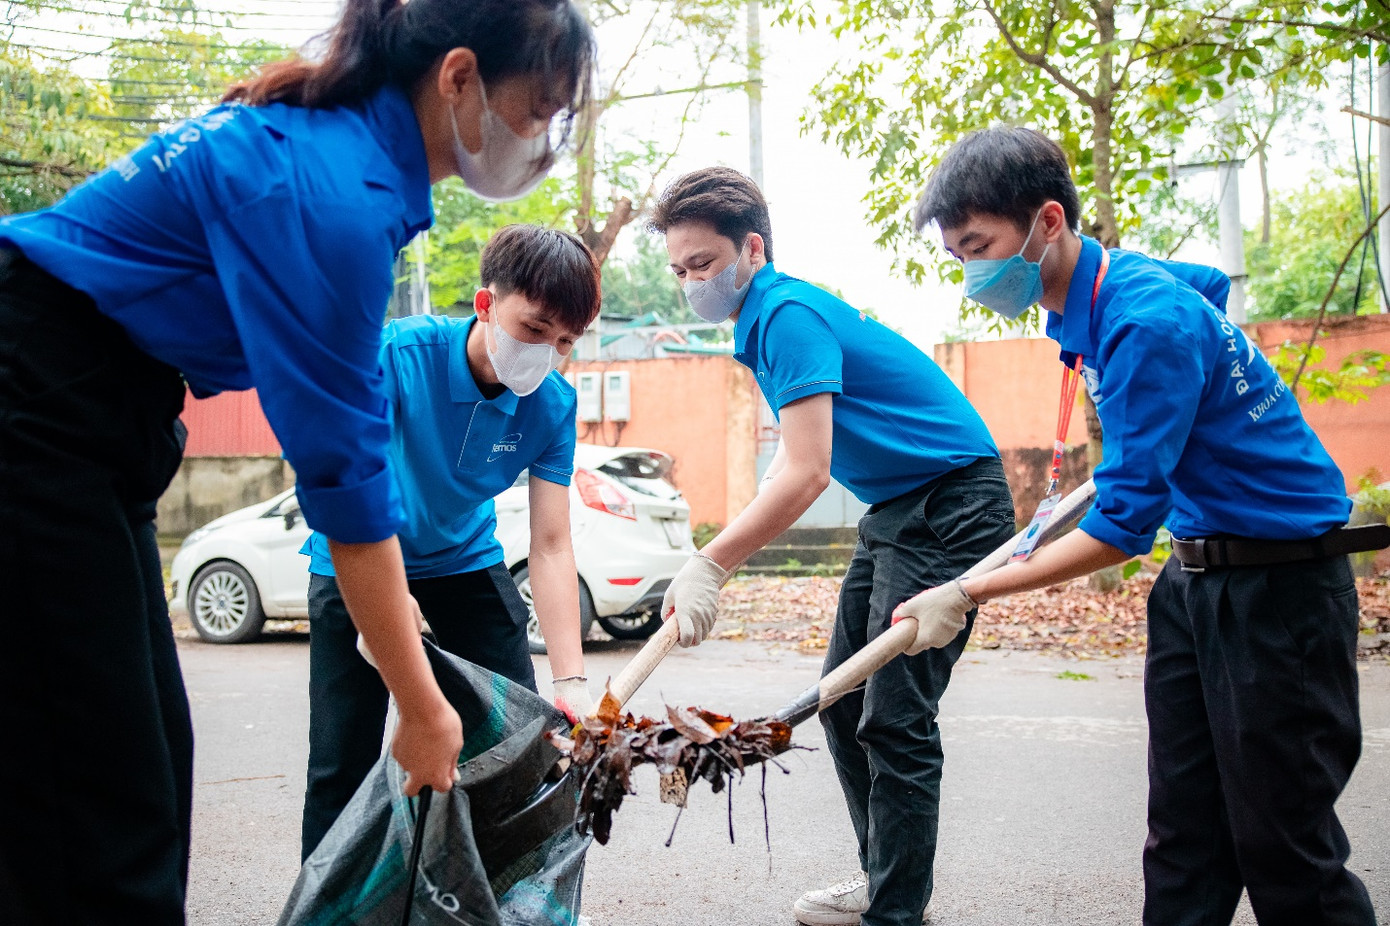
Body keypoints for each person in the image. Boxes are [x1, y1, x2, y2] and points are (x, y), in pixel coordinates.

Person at [0, 1, 595, 922]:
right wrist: (421, 702)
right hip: (39, 401)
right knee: (99, 807)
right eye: (538, 109)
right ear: (459, 77)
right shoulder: (332, 194)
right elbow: (346, 483)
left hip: (100, 412)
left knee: (142, 765)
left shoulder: (346, 163)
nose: (542, 142)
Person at [906, 125, 1378, 925]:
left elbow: (1121, 528)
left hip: (1280, 589)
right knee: (1184, 840)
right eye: (957, 255)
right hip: (1195, 581)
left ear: (1047, 222)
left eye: (978, 246)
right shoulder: (1118, 295)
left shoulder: (1143, 320)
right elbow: (1208, 288)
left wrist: (970, 590)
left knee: (1285, 849)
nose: (970, 273)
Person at [648, 167, 1017, 926]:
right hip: (897, 510)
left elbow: (809, 471)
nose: (692, 283)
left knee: (895, 717)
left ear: (751, 248)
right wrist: (715, 563)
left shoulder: (785, 313)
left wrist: (713, 560)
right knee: (842, 705)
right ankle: (884, 885)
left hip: (952, 504)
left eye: (704, 265)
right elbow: (796, 461)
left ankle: (895, 915)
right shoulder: (764, 324)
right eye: (680, 270)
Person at [299, 224, 600, 860]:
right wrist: (381, 601)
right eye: (536, 329)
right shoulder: (396, 358)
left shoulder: (553, 405)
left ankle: (504, 897)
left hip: (465, 563)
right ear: (486, 303)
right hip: (357, 554)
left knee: (516, 746)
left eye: (566, 342)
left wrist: (570, 678)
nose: (548, 354)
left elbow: (549, 545)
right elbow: (339, 482)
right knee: (341, 764)